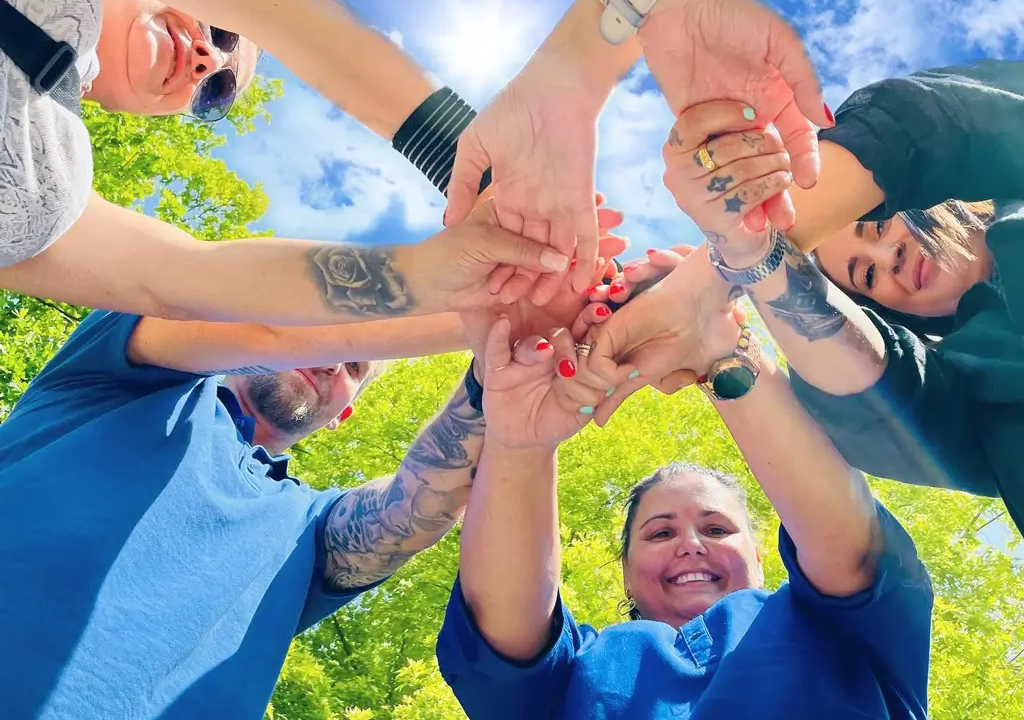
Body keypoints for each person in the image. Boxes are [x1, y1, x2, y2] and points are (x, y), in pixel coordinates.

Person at [6, 0, 829, 317]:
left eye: (216, 89)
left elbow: (175, 279)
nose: (209, 56)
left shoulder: (57, 194)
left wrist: (439, 274)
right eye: (225, 38)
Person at [0, 230, 620, 719]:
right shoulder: (128, 374)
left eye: (353, 367)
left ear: (342, 414)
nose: (330, 364)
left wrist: (507, 362)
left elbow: (418, 504)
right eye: (322, 343)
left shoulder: (307, 528)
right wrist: (507, 305)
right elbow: (259, 314)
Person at [435, 249, 933, 718]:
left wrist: (713, 341)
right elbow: (503, 635)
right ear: (626, 574)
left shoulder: (848, 633)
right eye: (659, 533)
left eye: (717, 529)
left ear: (762, 559)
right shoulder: (578, 669)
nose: (691, 545)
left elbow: (850, 545)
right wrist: (519, 442)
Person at [595, 62, 1024, 537]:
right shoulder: (982, 398)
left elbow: (930, 121)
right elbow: (884, 408)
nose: (889, 257)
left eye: (879, 224)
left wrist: (702, 284)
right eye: (866, 275)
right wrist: (734, 290)